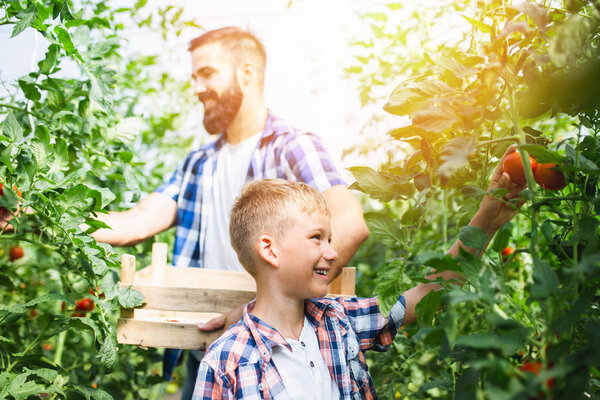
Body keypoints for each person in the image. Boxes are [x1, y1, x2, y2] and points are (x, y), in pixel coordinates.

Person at [89, 27, 369, 399]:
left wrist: (257, 312)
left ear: (246, 73)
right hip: (207, 339)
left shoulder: (293, 147)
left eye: (207, 73)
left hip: (278, 344)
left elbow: (351, 224)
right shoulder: (199, 163)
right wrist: (45, 213)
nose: (196, 87)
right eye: (193, 76)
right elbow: (137, 220)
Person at [192, 146, 525, 399]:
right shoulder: (226, 364)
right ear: (270, 250)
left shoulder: (339, 320)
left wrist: (487, 221)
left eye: (330, 239)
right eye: (316, 238)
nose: (332, 252)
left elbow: (428, 293)